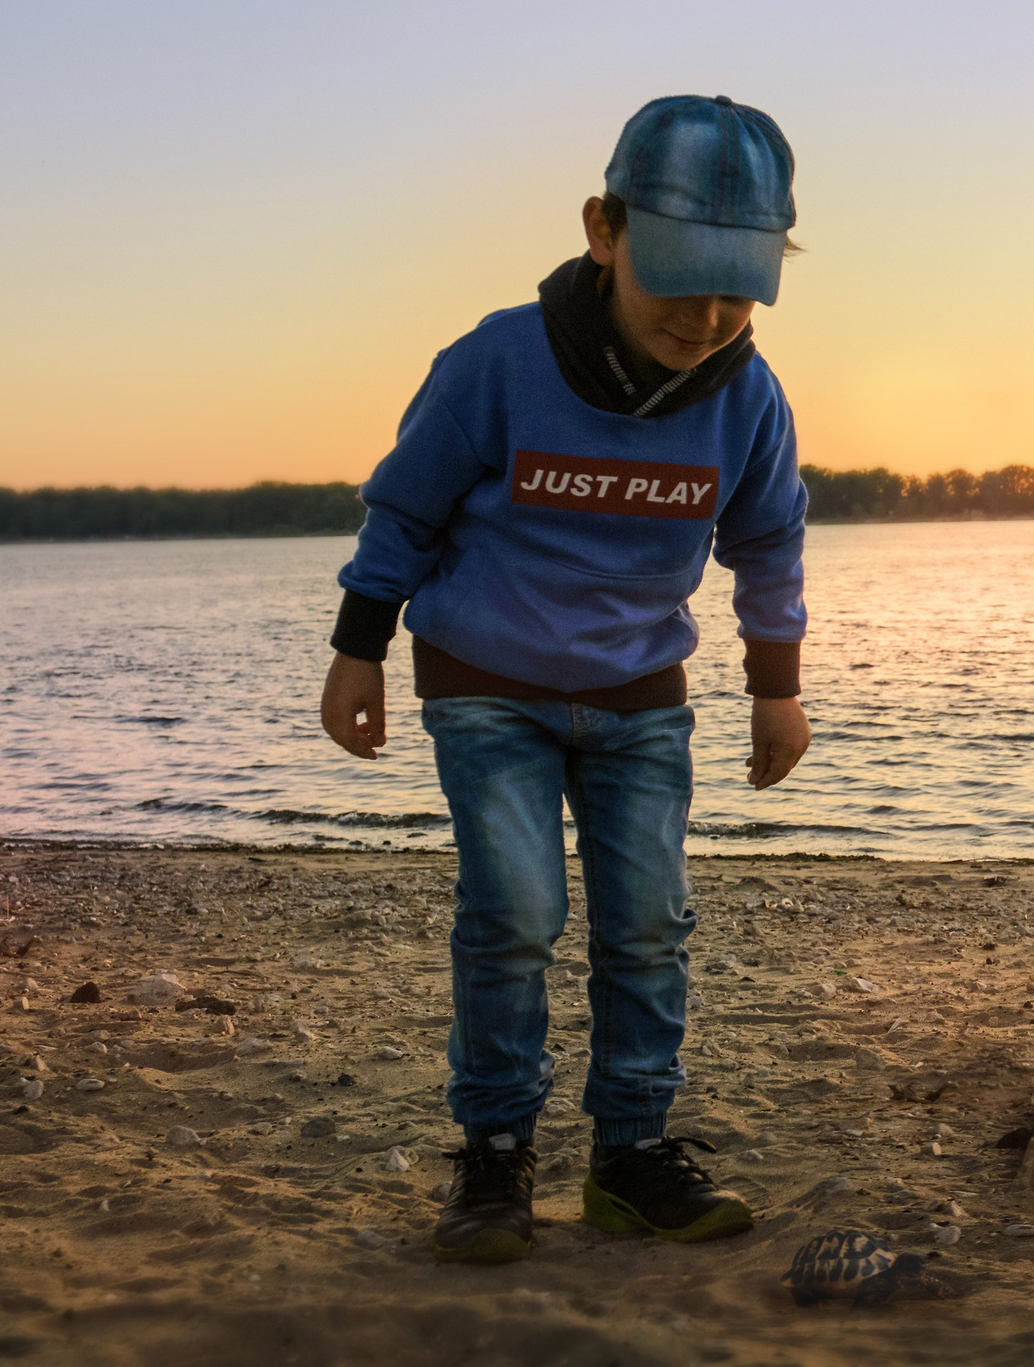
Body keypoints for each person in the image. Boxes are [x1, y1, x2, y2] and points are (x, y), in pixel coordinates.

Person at [317, 95, 812, 1264]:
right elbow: (404, 509)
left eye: (736, 293)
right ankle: (495, 1156)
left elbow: (769, 543)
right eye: (678, 282)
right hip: (486, 683)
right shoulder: (496, 362)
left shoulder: (748, 399)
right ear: (604, 230)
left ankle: (629, 1157)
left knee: (648, 927)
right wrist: (358, 647)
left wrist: (775, 686)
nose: (705, 319)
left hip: (642, 694)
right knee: (516, 915)